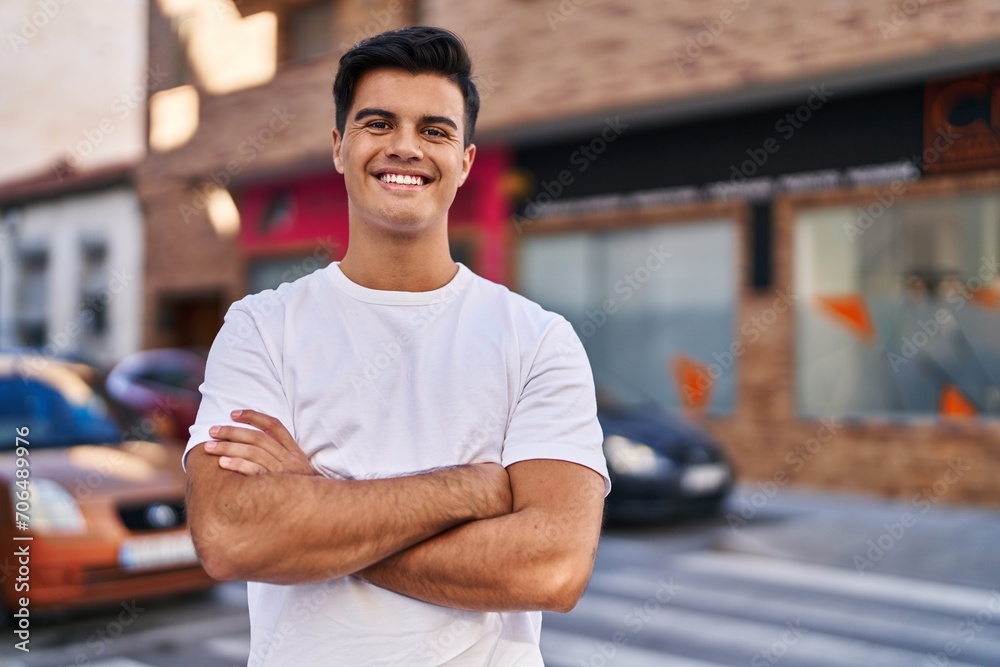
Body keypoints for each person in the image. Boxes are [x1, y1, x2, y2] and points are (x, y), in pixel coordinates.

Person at [184, 25, 610, 666]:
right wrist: (471, 490)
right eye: (378, 123)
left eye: (435, 131)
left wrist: (312, 499)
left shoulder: (537, 340)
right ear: (339, 146)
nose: (406, 148)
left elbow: (551, 568)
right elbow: (229, 534)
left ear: (464, 162)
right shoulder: (260, 328)